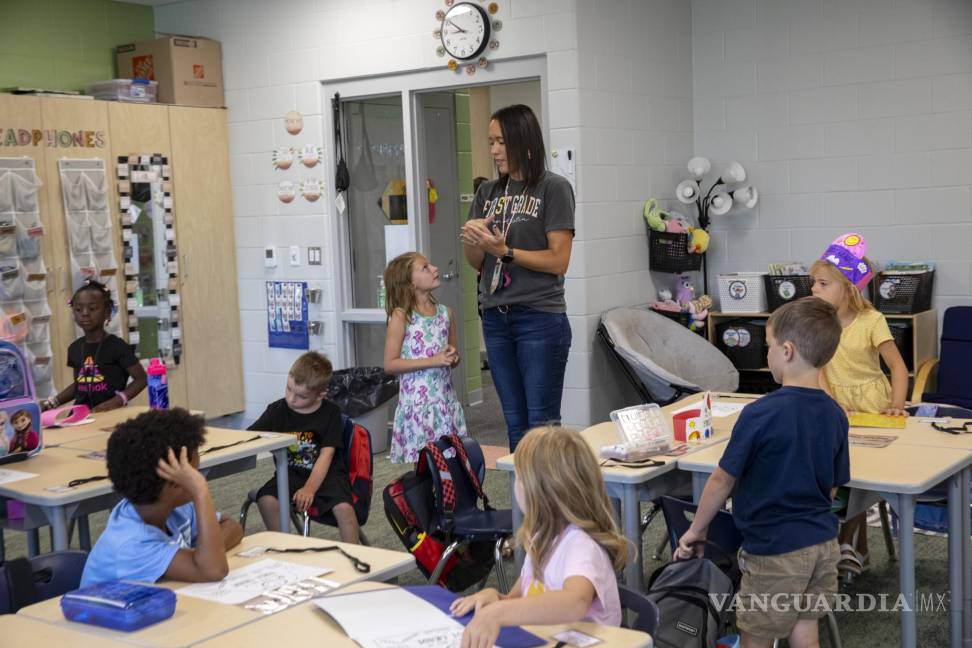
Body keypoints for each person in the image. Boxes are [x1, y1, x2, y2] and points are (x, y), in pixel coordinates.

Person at [676, 297, 849, 648]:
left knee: (755, 637)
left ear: (786, 351)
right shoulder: (835, 414)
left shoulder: (760, 413)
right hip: (822, 546)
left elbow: (722, 480)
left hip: (774, 550)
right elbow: (832, 488)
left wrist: (697, 529)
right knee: (805, 632)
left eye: (768, 346)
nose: (765, 354)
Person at [460, 104, 574, 451]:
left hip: (539, 318)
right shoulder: (488, 193)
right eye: (490, 142)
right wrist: (476, 241)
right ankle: (523, 505)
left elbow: (559, 260)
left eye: (500, 141)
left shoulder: (553, 188)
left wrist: (504, 251)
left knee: (541, 426)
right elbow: (474, 262)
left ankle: (549, 506)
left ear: (523, 141)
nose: (493, 150)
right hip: (496, 317)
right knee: (514, 423)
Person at [450, 425, 628, 648]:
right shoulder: (543, 537)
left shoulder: (581, 545)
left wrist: (500, 612)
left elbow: (575, 603)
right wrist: (495, 598)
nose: (516, 485)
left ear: (542, 491)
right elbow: (522, 600)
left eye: (520, 477)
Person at [810, 232, 909, 577]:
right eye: (814, 283)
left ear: (847, 288)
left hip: (871, 406)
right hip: (837, 407)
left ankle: (843, 546)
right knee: (842, 472)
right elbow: (818, 367)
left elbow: (897, 367)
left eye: (822, 283)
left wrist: (897, 404)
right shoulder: (820, 324)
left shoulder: (872, 321)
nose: (813, 289)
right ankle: (857, 548)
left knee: (859, 474)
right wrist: (830, 402)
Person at [81, 408, 244, 586]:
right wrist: (200, 491)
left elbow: (232, 527)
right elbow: (213, 570)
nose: (199, 476)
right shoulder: (131, 544)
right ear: (174, 482)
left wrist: (203, 553)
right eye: (194, 473)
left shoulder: (171, 506)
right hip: (108, 612)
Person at [248, 351, 360, 543]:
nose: (291, 399)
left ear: (321, 394)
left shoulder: (330, 413)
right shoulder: (277, 410)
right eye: (288, 389)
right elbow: (249, 437)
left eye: (300, 396)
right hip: (289, 474)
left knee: (344, 509)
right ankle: (283, 548)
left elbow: (326, 456)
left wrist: (309, 488)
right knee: (266, 500)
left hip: (327, 476)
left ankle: (356, 557)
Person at [382, 252, 467, 464]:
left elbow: (454, 359)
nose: (435, 269)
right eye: (425, 268)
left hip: (444, 403)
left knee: (451, 464)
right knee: (424, 469)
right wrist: (434, 360)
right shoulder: (402, 317)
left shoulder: (446, 313)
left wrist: (452, 356)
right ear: (410, 283)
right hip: (418, 408)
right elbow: (390, 364)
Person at [41, 280, 146, 413]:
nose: (84, 313)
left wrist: (118, 401)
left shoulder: (117, 346)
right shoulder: (74, 348)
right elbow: (81, 384)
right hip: (80, 416)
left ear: (107, 313)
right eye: (78, 309)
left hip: (110, 414)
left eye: (92, 308)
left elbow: (141, 379)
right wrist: (51, 403)